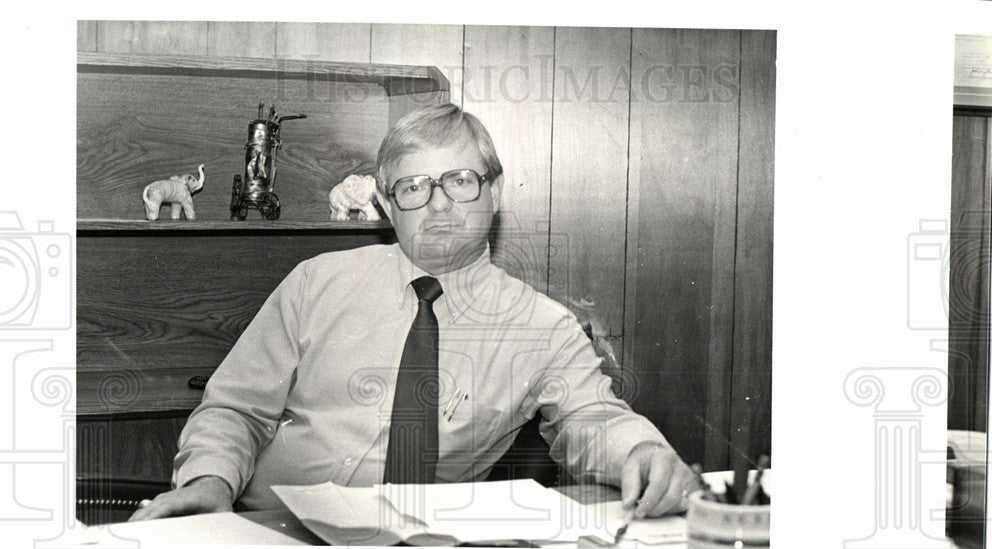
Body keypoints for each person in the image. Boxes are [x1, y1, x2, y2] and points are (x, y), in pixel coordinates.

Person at [131, 104, 697, 523]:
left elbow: (591, 419)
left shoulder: (543, 328)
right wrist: (209, 482)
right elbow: (235, 409)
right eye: (413, 187)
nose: (440, 204)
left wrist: (642, 452)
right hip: (271, 531)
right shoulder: (317, 283)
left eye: (460, 180)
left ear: (494, 192)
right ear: (383, 203)